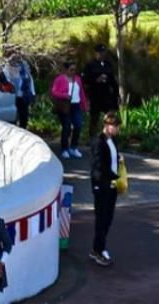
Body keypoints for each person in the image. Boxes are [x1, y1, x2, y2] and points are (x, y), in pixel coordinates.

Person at [89, 112, 123, 268]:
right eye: (115, 126)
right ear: (107, 125)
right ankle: (99, 249)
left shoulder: (113, 141)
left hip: (111, 185)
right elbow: (98, 166)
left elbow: (111, 160)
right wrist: (112, 176)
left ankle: (97, 248)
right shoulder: (98, 142)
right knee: (101, 219)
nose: (117, 129)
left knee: (108, 218)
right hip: (102, 185)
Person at [83, 47, 119, 140]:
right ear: (96, 53)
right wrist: (96, 80)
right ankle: (92, 138)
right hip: (95, 95)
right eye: (100, 52)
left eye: (103, 52)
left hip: (106, 95)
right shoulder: (90, 65)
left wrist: (117, 94)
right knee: (94, 117)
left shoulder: (108, 64)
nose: (102, 54)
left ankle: (109, 135)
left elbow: (113, 81)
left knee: (110, 115)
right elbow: (85, 80)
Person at [50, 62, 85, 158]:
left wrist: (84, 105)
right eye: (71, 70)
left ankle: (74, 147)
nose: (73, 72)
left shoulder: (77, 79)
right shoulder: (60, 79)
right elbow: (54, 92)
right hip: (65, 106)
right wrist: (64, 95)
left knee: (78, 125)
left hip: (76, 105)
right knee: (67, 127)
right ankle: (64, 148)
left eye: (74, 69)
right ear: (66, 70)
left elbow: (81, 92)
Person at [0, 51, 36, 129]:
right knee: (14, 116)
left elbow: (29, 79)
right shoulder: (7, 66)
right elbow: (7, 80)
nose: (16, 56)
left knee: (24, 116)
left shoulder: (24, 65)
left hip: (25, 95)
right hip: (14, 95)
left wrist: (33, 92)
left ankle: (23, 130)